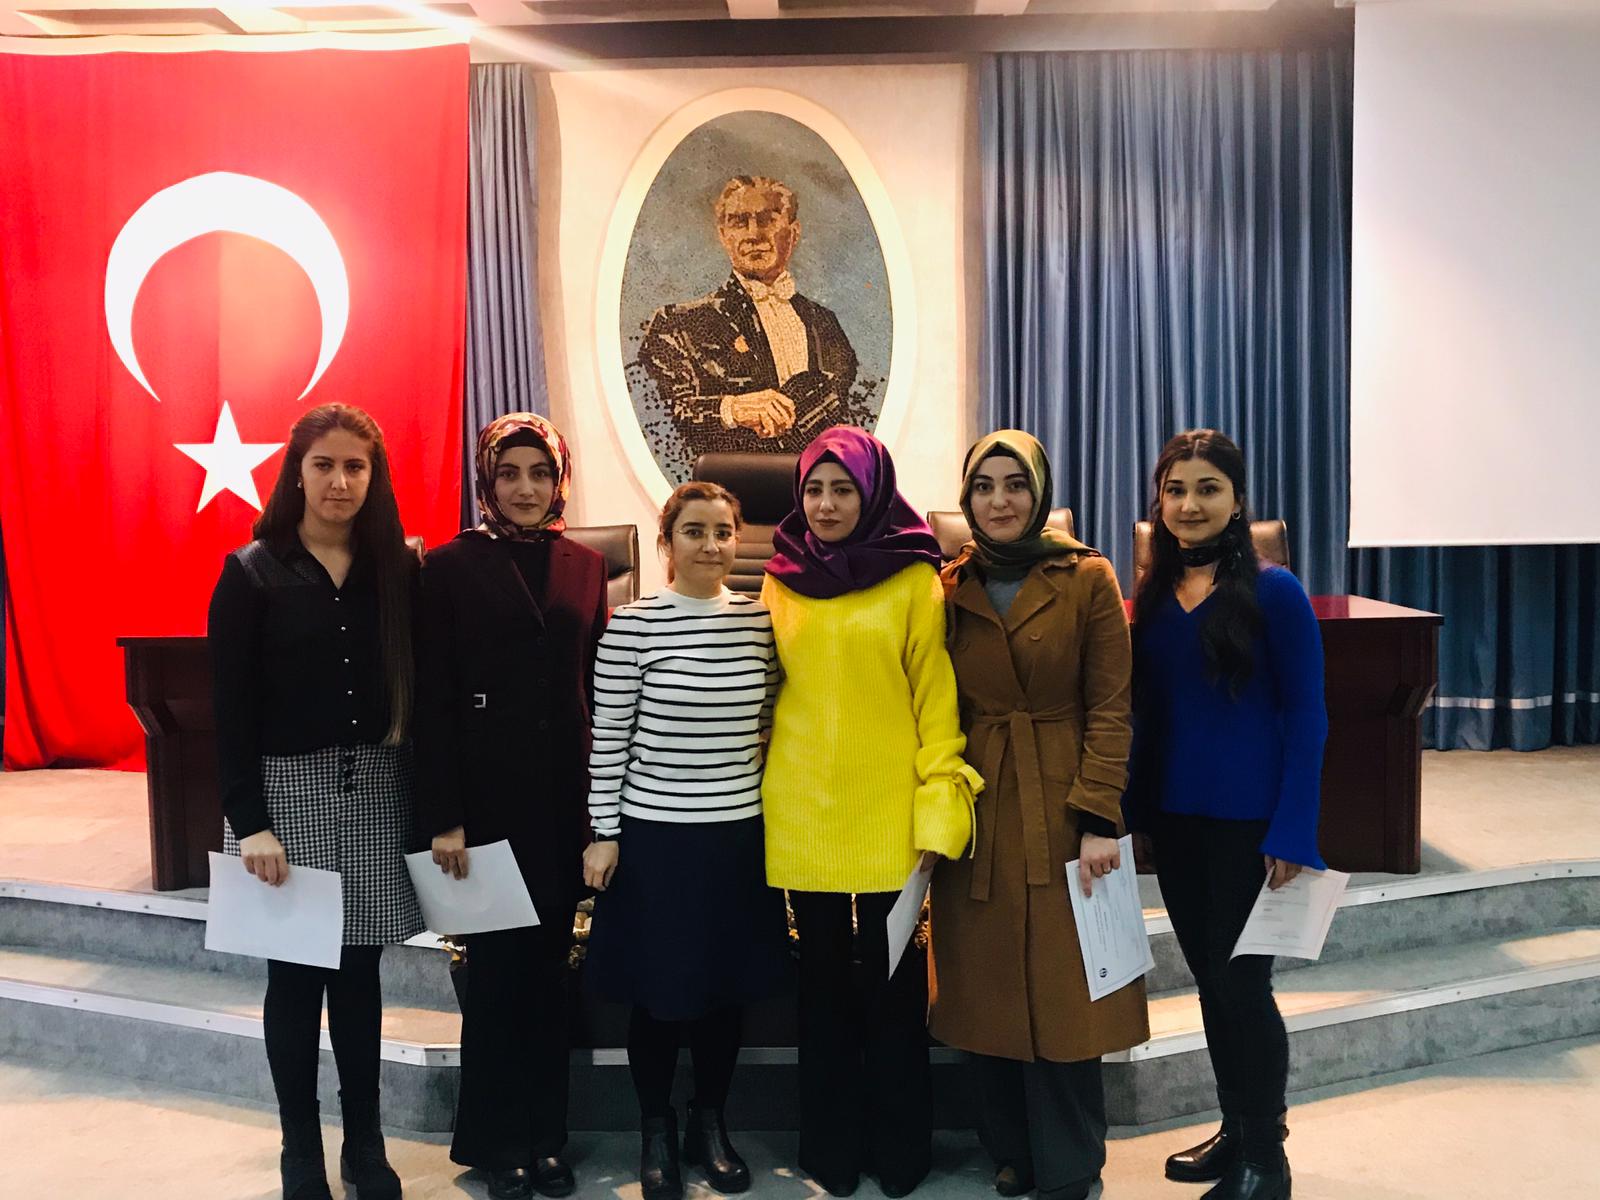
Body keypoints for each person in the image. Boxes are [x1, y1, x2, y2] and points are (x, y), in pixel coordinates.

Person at [760, 425, 982, 1199]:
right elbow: (767, 696)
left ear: (873, 493)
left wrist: (938, 805)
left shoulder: (915, 580)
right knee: (820, 993)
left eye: (842, 489)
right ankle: (831, 1146)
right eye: (814, 490)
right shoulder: (780, 579)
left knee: (893, 992)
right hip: (802, 810)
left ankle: (899, 1148)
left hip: (890, 814)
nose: (825, 505)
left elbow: (935, 701)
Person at [928, 431, 1149, 1200]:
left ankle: (1071, 1163)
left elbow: (1112, 708)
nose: (999, 501)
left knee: (1066, 995)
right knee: (986, 986)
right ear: (966, 499)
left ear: (1040, 492)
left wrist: (1099, 817)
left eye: (1014, 484)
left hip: (1062, 797)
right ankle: (1010, 1148)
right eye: (983, 486)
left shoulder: (1087, 576)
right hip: (980, 804)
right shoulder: (948, 585)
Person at [209, 403, 421, 1200]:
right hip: (284, 801)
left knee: (359, 977)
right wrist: (250, 822)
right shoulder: (251, 571)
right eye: (324, 464)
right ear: (297, 472)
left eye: (355, 466)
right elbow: (230, 712)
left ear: (374, 477)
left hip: (373, 791)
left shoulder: (397, 570)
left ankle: (365, 1142)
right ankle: (300, 1148)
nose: (340, 481)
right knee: (296, 980)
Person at [1123, 429, 1327, 1200]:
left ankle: (1266, 1158)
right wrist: (1134, 813)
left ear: (1238, 500)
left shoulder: (1277, 591)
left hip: (1251, 825)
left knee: (1243, 988)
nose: (1189, 504)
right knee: (1212, 982)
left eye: (1207, 488)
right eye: (1175, 489)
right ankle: (1237, 1128)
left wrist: (1294, 829)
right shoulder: (1153, 593)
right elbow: (1148, 713)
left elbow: (1307, 716)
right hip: (1177, 819)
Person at [412, 413, 609, 1200]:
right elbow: (431, 700)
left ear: (560, 480)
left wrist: (600, 819)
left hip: (563, 806)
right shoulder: (447, 567)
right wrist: (443, 816)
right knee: (496, 983)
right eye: (509, 473)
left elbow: (596, 692)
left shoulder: (586, 565)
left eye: (540, 473)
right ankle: (497, 1144)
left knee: (551, 982)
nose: (526, 488)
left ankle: (546, 1137)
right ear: (487, 481)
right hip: (485, 810)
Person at [580, 481, 791, 1200]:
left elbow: (771, 721)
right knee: (658, 997)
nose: (711, 545)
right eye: (694, 532)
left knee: (725, 994)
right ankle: (656, 1130)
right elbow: (609, 740)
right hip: (655, 841)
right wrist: (604, 833)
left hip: (737, 838)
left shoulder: (760, 622)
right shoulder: (633, 626)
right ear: (666, 543)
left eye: (723, 532)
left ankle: (710, 1123)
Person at [638, 174, 859, 459]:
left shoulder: (825, 323)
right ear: (723, 235)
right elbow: (664, 419)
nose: (753, 235)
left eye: (767, 220)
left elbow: (852, 418)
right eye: (739, 222)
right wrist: (733, 409)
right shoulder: (677, 325)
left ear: (794, 233)